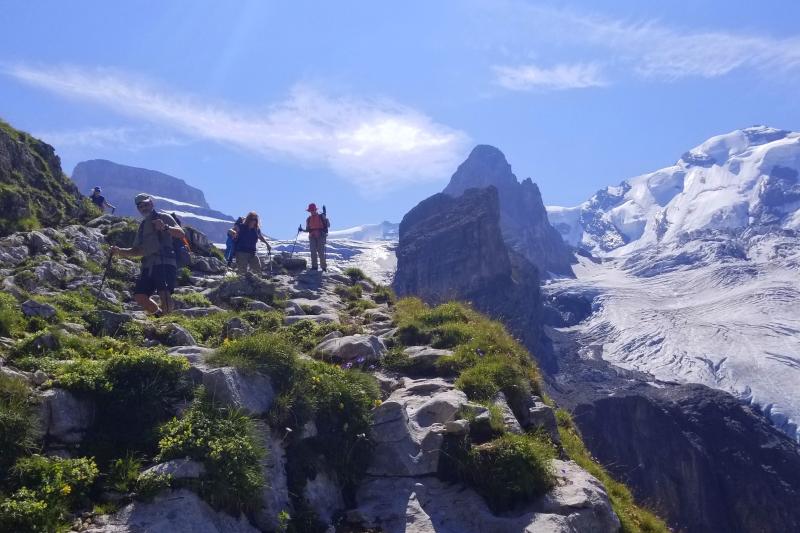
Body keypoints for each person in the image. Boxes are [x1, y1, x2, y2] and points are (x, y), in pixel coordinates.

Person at [110, 193, 184, 316]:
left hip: (165, 261)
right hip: (148, 265)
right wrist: (119, 251)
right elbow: (137, 250)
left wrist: (165, 227)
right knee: (140, 296)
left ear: (151, 204)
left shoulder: (164, 217)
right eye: (140, 206)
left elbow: (181, 233)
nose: (143, 208)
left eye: (145, 204)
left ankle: (167, 323)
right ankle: (160, 316)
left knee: (164, 294)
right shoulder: (143, 226)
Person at [299, 203, 329, 271]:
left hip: (321, 235)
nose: (312, 211)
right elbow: (308, 230)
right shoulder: (308, 219)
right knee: (313, 252)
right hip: (312, 236)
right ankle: (314, 267)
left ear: (315, 210)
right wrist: (302, 230)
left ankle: (323, 267)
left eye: (312, 210)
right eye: (311, 210)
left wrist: (325, 217)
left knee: (320, 251)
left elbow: (328, 225)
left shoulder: (321, 216)